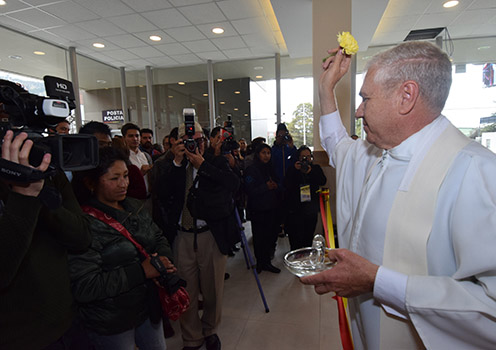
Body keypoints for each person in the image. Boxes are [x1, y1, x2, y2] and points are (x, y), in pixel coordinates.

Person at [300, 42, 496, 349]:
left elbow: (489, 308)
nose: (359, 110)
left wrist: (377, 282)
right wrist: (326, 90)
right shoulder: (375, 152)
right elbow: (337, 144)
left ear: (406, 96)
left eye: (366, 98)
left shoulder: (478, 174)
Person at [68, 147, 175, 350]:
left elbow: (158, 236)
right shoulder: (84, 224)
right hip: (112, 320)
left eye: (126, 175)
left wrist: (164, 261)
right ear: (91, 183)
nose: (124, 184)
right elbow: (85, 286)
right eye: (114, 178)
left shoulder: (134, 206)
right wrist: (142, 271)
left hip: (147, 307)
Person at [0, 130, 92, 350]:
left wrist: (38, 192)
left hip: (69, 325)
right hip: (17, 339)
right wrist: (23, 197)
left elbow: (81, 237)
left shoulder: (45, 168)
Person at [155, 121, 240, 350]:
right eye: (190, 141)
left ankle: (210, 329)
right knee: (187, 292)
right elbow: (161, 193)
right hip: (182, 237)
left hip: (210, 235)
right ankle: (192, 338)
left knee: (213, 291)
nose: (196, 145)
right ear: (177, 143)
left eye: (200, 140)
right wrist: (176, 162)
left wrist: (202, 165)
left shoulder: (215, 160)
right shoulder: (172, 165)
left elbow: (233, 183)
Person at [244, 143, 283, 273]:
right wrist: (266, 187)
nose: (266, 156)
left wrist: (275, 185)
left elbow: (278, 183)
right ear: (258, 154)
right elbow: (249, 190)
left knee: (270, 235)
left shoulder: (270, 168)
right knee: (259, 236)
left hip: (272, 208)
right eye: (263, 153)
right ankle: (261, 262)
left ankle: (267, 261)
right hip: (258, 209)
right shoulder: (252, 169)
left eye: (268, 153)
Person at [283, 145, 327, 250]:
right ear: (298, 157)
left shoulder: (315, 168)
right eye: (303, 157)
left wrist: (310, 172)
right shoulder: (292, 169)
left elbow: (323, 181)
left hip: (310, 208)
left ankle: (306, 258)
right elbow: (286, 184)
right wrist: (295, 170)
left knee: (308, 236)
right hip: (295, 209)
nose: (306, 159)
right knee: (295, 238)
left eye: (308, 156)